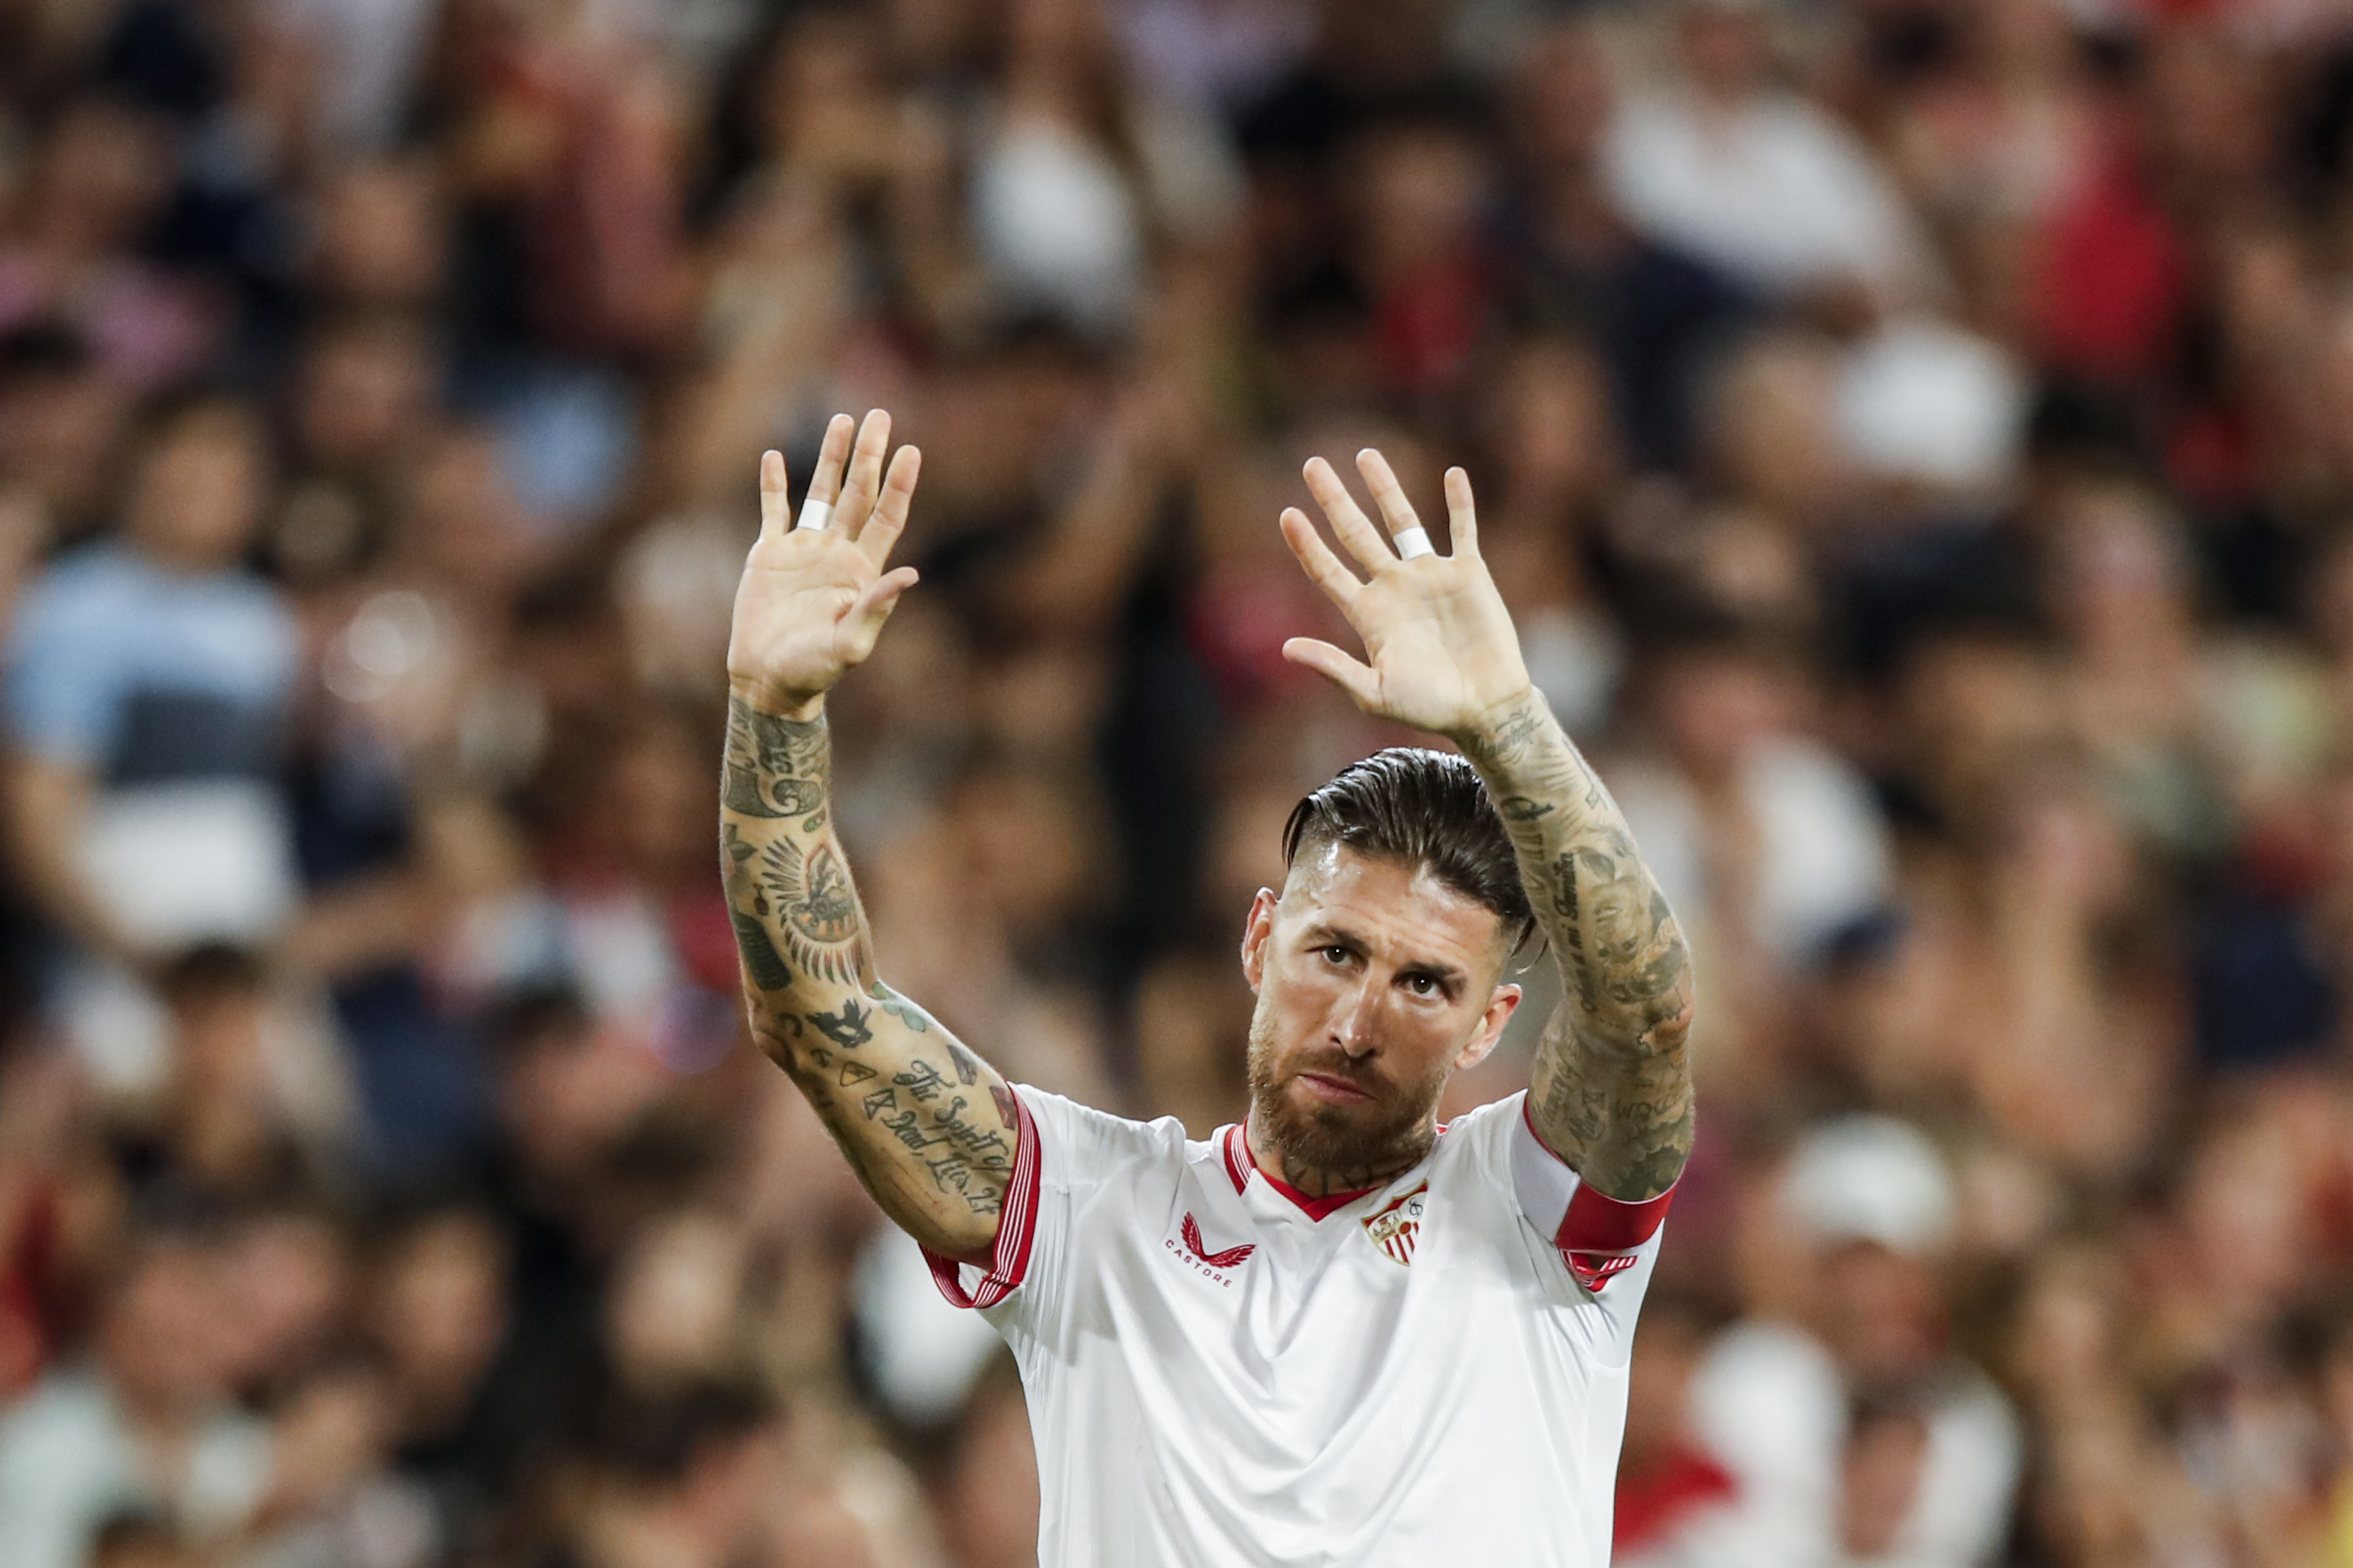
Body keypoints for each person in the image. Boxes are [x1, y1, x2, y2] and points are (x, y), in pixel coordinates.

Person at [720, 409, 1696, 1565]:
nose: (1355, 1019)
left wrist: (1508, 723)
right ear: (1258, 941)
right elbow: (817, 1016)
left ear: (1492, 1022)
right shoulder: (1086, 1209)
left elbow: (1639, 1013)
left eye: (1424, 984)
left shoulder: (1538, 1217)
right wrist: (773, 711)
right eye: (1332, 952)